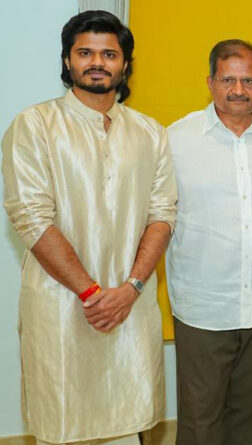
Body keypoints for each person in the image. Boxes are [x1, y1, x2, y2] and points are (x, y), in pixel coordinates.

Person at [1, 10, 176, 445]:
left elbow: (162, 214)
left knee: (128, 424)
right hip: (63, 307)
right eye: (85, 53)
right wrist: (93, 294)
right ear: (67, 61)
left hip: (130, 304)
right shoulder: (35, 125)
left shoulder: (150, 133)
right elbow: (31, 216)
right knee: (63, 426)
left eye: (109, 54)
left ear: (125, 64)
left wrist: (131, 289)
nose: (97, 62)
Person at [166, 39, 252, 445]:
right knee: (200, 424)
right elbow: (155, 217)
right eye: (228, 80)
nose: (238, 90)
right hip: (203, 308)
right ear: (210, 82)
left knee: (250, 421)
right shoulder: (175, 139)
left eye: (248, 81)